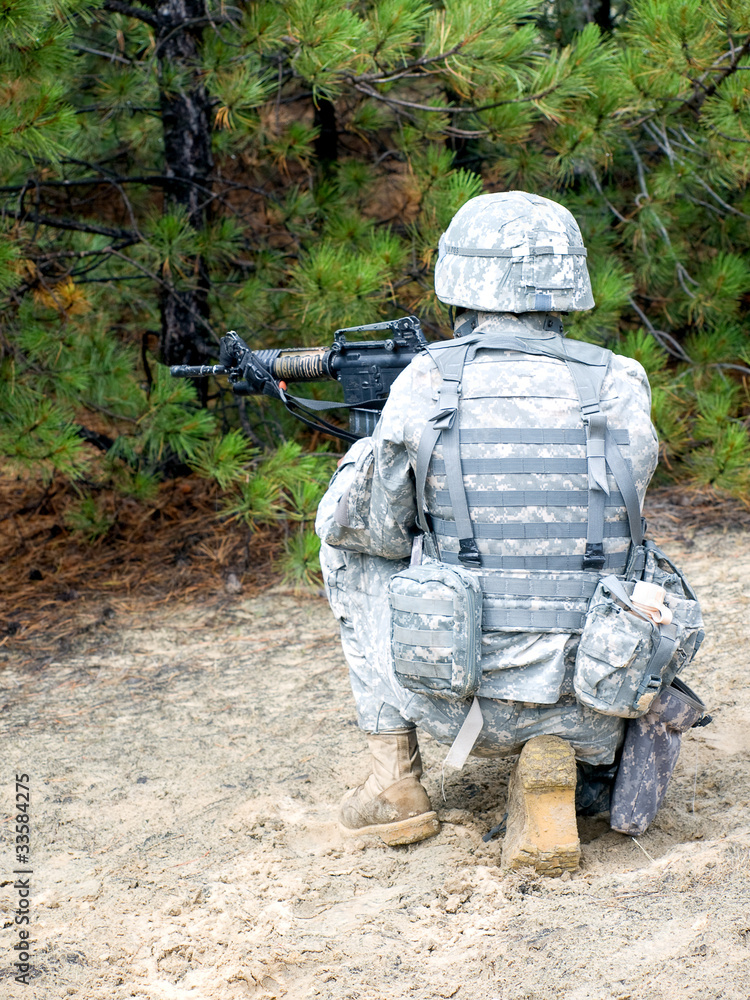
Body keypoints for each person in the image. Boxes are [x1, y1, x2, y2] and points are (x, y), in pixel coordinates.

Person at [315, 191, 659, 875]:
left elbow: (373, 533)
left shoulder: (425, 383)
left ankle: (393, 782)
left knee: (346, 550)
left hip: (460, 700)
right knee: (633, 554)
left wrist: (363, 458)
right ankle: (572, 763)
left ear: (460, 276)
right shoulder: (620, 382)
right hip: (601, 693)